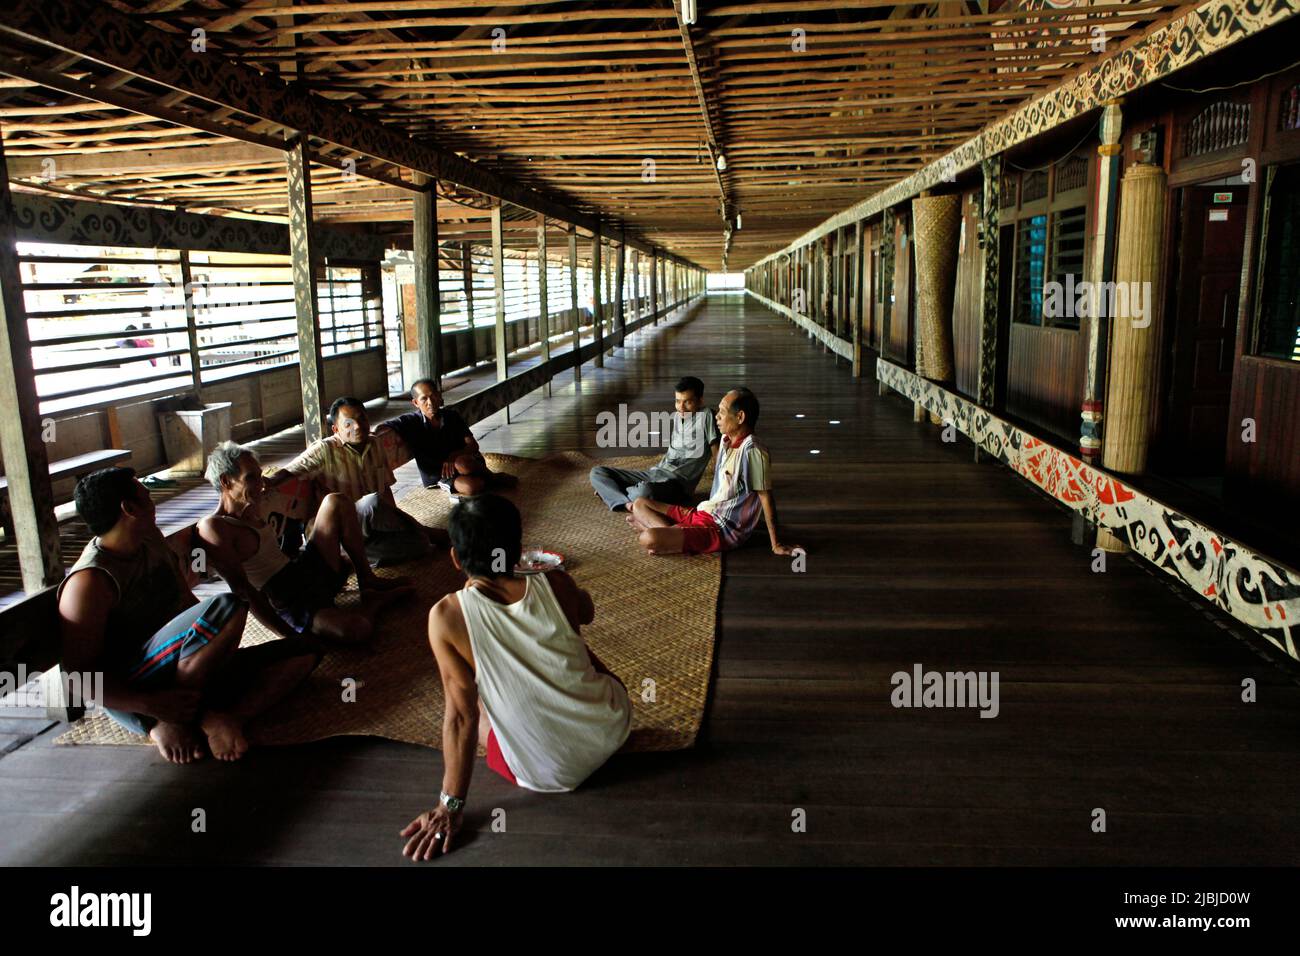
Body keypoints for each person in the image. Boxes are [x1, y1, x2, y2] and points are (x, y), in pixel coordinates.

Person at [401, 495, 631, 860]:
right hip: (612, 726)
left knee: (473, 696)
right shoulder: (556, 581)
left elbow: (461, 718)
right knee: (567, 644)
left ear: (456, 559)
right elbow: (586, 612)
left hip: (546, 772)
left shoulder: (446, 617)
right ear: (519, 550)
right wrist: (569, 593)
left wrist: (450, 805)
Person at [57, 467, 319, 764]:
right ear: (128, 508)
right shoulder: (90, 581)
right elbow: (80, 676)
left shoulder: (150, 540)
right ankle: (178, 717)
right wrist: (152, 708)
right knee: (228, 605)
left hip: (186, 663)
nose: (153, 502)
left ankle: (224, 719)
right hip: (143, 682)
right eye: (146, 496)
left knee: (305, 650)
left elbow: (185, 601)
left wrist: (220, 651)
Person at [197, 442, 412, 645]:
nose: (260, 484)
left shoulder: (251, 504)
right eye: (251, 478)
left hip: (299, 571)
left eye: (260, 476)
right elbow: (243, 591)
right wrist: (288, 636)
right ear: (226, 481)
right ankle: (373, 603)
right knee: (357, 629)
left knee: (335, 501)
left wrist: (271, 483)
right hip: (286, 598)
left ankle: (367, 580)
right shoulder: (214, 528)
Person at [627, 387, 802, 557]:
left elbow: (765, 497)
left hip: (720, 528)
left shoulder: (753, 450)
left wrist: (776, 544)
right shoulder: (726, 440)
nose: (716, 416)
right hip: (704, 512)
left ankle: (661, 534)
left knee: (648, 538)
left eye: (723, 412)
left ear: (740, 417)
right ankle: (668, 535)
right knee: (640, 504)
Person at [270, 397, 437, 566]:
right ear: (336, 429)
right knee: (372, 502)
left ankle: (355, 558)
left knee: (420, 543)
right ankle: (425, 531)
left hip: (367, 529)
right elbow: (289, 470)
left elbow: (385, 490)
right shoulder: (324, 450)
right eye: (348, 424)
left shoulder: (375, 444)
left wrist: (394, 526)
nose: (357, 426)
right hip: (338, 532)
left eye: (361, 419)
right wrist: (268, 480)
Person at [589, 375, 720, 512]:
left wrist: (721, 489)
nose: (681, 407)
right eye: (678, 401)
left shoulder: (707, 416)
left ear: (700, 401)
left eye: (687, 402)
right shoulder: (678, 417)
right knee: (597, 472)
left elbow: (718, 455)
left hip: (677, 485)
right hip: (655, 474)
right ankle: (626, 501)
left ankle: (615, 494)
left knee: (644, 491)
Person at [380, 379, 511, 496]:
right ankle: (489, 479)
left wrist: (453, 456)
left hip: (468, 462)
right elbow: (385, 427)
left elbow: (473, 445)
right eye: (424, 399)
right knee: (472, 487)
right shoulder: (410, 422)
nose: (430, 402)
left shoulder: (451, 416)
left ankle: (491, 477)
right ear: (415, 403)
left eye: (433, 396)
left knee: (462, 463)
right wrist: (374, 434)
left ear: (439, 395)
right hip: (441, 473)